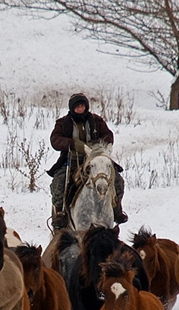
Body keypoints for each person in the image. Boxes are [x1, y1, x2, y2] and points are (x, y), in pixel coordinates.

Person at [46, 92, 128, 224]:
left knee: (117, 180)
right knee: (59, 183)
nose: (80, 109)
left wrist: (94, 145)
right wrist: (72, 144)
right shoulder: (63, 123)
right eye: (77, 107)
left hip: (96, 158)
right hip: (73, 160)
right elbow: (55, 139)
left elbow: (108, 135)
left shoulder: (96, 121)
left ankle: (117, 209)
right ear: (72, 108)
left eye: (82, 106)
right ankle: (60, 214)